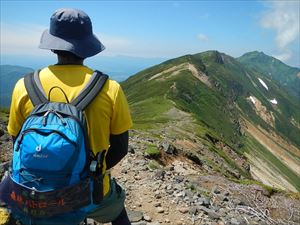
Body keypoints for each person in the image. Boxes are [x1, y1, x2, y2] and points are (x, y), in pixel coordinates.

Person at [6, 8, 132, 225]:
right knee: (118, 211)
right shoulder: (110, 88)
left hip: (34, 194)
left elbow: (17, 142)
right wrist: (90, 172)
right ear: (88, 46)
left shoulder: (23, 86)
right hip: (90, 194)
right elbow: (120, 148)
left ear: (53, 44)